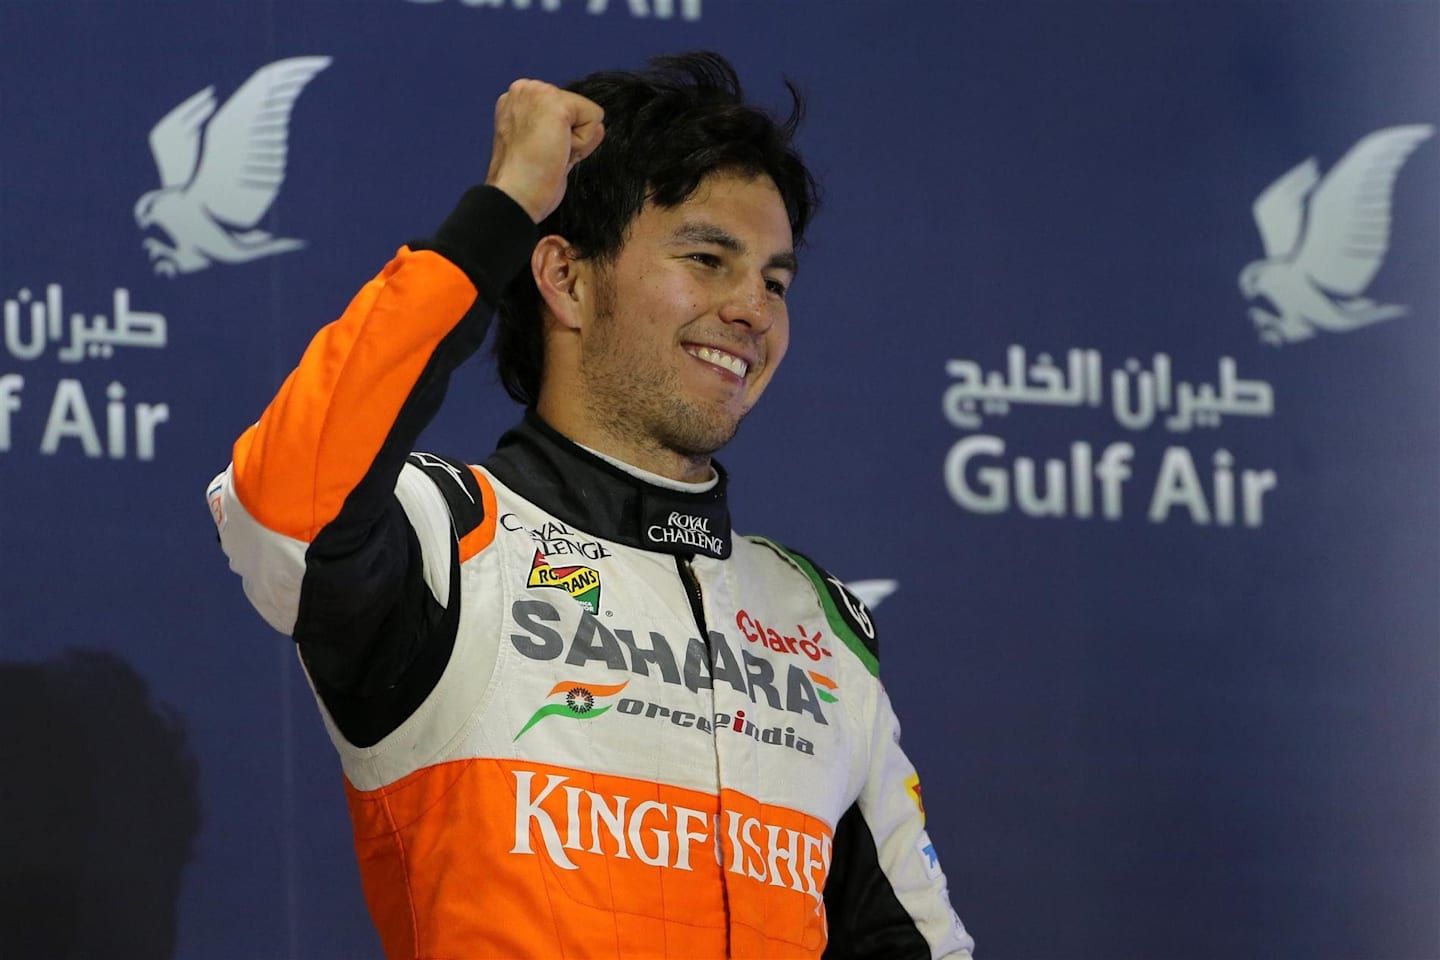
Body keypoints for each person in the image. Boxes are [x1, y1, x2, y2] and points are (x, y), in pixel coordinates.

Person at [208, 52, 974, 960]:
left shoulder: (820, 619)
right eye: (706, 259)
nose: (753, 311)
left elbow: (915, 945)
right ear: (565, 278)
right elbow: (283, 507)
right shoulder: (444, 538)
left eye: (775, 281)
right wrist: (499, 212)